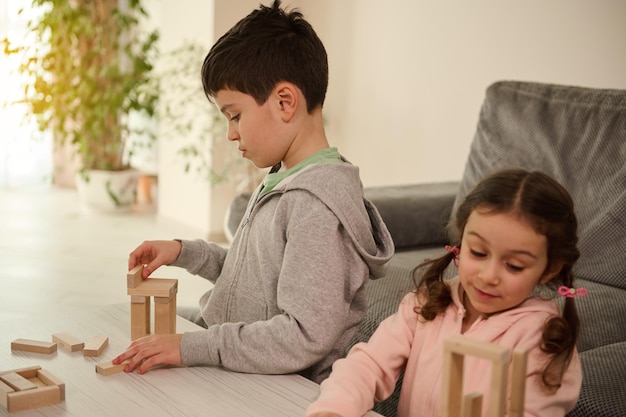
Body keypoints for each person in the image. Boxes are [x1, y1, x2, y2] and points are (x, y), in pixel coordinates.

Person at [112, 0, 394, 384]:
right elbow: (253, 275)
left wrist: (190, 347)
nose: (230, 133)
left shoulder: (318, 208)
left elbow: (303, 337)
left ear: (284, 102)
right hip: (241, 365)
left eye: (234, 115)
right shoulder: (286, 177)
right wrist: (184, 251)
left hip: (279, 389)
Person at [306, 168, 584, 417]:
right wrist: (335, 409)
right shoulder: (426, 304)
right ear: (460, 241)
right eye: (477, 252)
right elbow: (368, 364)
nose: (488, 276)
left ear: (549, 269)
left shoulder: (544, 340)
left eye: (513, 266)